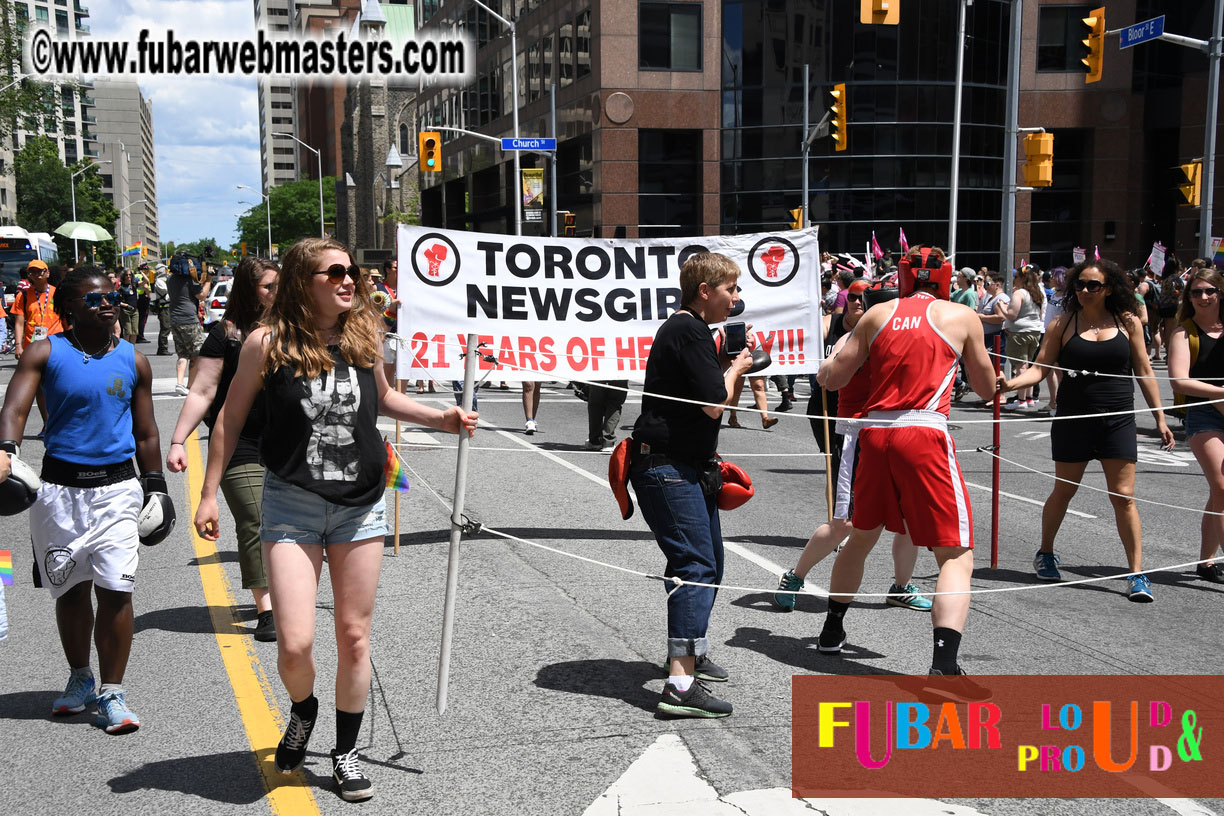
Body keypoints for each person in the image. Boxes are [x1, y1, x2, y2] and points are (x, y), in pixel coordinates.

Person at [193, 238, 477, 801]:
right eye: (336, 273)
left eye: (352, 272)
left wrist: (441, 417)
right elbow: (228, 417)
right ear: (305, 281)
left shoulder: (361, 337)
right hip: (291, 503)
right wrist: (207, 493)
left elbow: (385, 399)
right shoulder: (264, 343)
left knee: (353, 636)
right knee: (295, 643)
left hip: (360, 502)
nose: (350, 280)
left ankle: (345, 751)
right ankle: (303, 711)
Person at [815, 246, 999, 700]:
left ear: (901, 276)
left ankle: (831, 630)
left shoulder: (877, 315)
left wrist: (823, 362)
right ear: (944, 278)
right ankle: (943, 668)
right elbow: (986, 387)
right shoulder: (960, 316)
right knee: (955, 555)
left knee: (861, 535)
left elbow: (832, 378)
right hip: (923, 430)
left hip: (875, 433)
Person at [0, 265, 164, 733]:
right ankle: (80, 679)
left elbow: (148, 430)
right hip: (58, 492)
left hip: (117, 491)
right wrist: (6, 452)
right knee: (70, 590)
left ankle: (113, 693)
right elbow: (14, 409)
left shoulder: (134, 359)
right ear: (68, 307)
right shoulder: (45, 352)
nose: (107, 304)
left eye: (111, 296)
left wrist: (156, 486)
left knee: (117, 589)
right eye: (94, 299)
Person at [1000, 259, 1175, 602]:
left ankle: (1136, 573)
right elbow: (1039, 370)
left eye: (1092, 285)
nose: (1083, 290)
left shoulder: (1128, 323)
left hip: (1117, 419)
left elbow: (1144, 371)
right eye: (1079, 284)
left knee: (1123, 495)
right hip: (1073, 419)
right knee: (1064, 490)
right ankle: (1046, 552)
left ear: (1109, 288)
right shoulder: (1063, 323)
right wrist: (1009, 384)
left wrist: (1160, 419)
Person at [629, 252, 754, 718]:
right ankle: (680, 684)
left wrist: (729, 365)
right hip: (667, 467)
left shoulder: (694, 332)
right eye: (731, 289)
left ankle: (690, 653)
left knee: (709, 563)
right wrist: (738, 366)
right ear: (706, 290)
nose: (736, 299)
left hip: (687, 465)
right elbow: (713, 405)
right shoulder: (688, 328)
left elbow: (717, 403)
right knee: (695, 565)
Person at [775, 279, 932, 614]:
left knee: (907, 520)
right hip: (858, 435)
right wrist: (838, 359)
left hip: (902, 435)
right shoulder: (854, 337)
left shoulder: (910, 336)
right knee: (845, 523)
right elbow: (825, 378)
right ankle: (795, 575)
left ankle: (901, 587)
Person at [168, 258, 280, 641]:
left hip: (287, 443)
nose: (276, 292)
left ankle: (285, 593)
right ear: (250, 291)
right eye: (267, 286)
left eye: (280, 284)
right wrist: (178, 440)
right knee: (255, 518)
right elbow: (202, 391)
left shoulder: (296, 330)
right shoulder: (226, 333)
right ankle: (267, 611)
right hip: (238, 442)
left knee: (287, 524)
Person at [1167, 267, 1224, 584]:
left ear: (1219, 293)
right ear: (1188, 297)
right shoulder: (1183, 332)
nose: (1203, 297)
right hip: (1203, 414)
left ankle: (1206, 562)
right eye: (1196, 292)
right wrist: (1219, 394)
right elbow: (1180, 380)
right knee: (1222, 486)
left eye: (1209, 291)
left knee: (1219, 492)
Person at [1001, 266, 1045, 411]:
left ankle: (1021, 400)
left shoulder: (1020, 293)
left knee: (1021, 366)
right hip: (1035, 330)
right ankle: (1029, 397)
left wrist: (1002, 307)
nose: (1014, 279)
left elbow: (1012, 315)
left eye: (1016, 277)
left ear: (1021, 278)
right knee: (1028, 365)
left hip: (1019, 332)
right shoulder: (1038, 293)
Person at [167, 256, 211, 396]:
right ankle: (191, 385)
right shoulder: (190, 279)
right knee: (197, 353)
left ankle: (180, 384)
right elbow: (202, 295)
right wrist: (209, 279)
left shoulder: (170, 279)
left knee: (183, 354)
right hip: (189, 319)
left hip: (174, 319)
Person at [584, 380, 628, 452]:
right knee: (614, 405)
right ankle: (608, 441)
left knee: (596, 404)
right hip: (619, 374)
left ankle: (595, 440)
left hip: (598, 374)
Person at [150, 263, 173, 355]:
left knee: (168, 328)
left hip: (168, 307)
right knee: (165, 328)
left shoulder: (166, 279)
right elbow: (166, 292)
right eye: (164, 269)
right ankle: (163, 349)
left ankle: (163, 348)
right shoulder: (159, 281)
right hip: (164, 308)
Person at [117, 269, 141, 344]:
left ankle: (132, 349)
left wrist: (141, 271)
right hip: (125, 311)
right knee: (128, 332)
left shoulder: (133, 285)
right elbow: (118, 301)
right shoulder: (121, 288)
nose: (128, 276)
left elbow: (146, 281)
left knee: (135, 332)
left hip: (135, 310)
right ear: (123, 276)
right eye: (126, 275)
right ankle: (125, 348)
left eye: (130, 275)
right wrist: (126, 305)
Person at [135, 263, 151, 342]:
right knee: (143, 318)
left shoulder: (135, 276)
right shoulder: (142, 276)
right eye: (147, 269)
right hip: (143, 298)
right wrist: (149, 296)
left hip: (137, 299)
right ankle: (140, 336)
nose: (148, 271)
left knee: (138, 318)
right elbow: (146, 287)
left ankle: (138, 335)